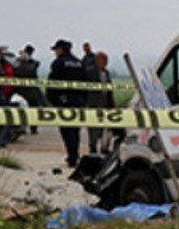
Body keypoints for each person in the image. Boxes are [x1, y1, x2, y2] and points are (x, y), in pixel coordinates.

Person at [47, 38, 87, 168]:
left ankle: (72, 156)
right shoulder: (79, 63)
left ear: (61, 49)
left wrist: (53, 100)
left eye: (56, 50)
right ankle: (75, 154)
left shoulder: (58, 63)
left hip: (64, 100)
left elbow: (52, 83)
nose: (55, 52)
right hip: (79, 100)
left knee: (66, 129)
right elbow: (86, 83)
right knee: (75, 129)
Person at [86, 51, 116, 154]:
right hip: (93, 104)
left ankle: (104, 147)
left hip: (105, 104)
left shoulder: (106, 73)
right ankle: (93, 147)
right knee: (93, 128)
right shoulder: (90, 72)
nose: (105, 63)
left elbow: (109, 90)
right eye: (103, 60)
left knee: (105, 128)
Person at [13, 45, 44, 134]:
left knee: (27, 109)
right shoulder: (31, 64)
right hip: (29, 90)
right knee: (32, 109)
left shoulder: (21, 64)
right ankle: (33, 128)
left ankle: (28, 128)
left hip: (21, 90)